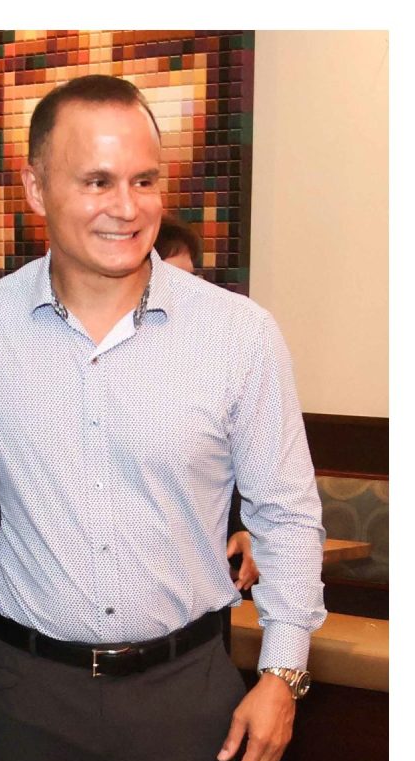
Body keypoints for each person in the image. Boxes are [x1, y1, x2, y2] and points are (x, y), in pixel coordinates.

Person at [0, 75, 324, 761]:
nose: (126, 207)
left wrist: (282, 675)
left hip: (185, 695)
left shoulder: (238, 334)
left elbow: (286, 514)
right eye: (96, 181)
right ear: (35, 189)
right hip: (27, 693)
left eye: (145, 180)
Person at [155, 213, 258, 592]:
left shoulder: (214, 354)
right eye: (171, 277)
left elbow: (227, 463)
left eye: (191, 277)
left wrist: (242, 529)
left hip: (200, 587)